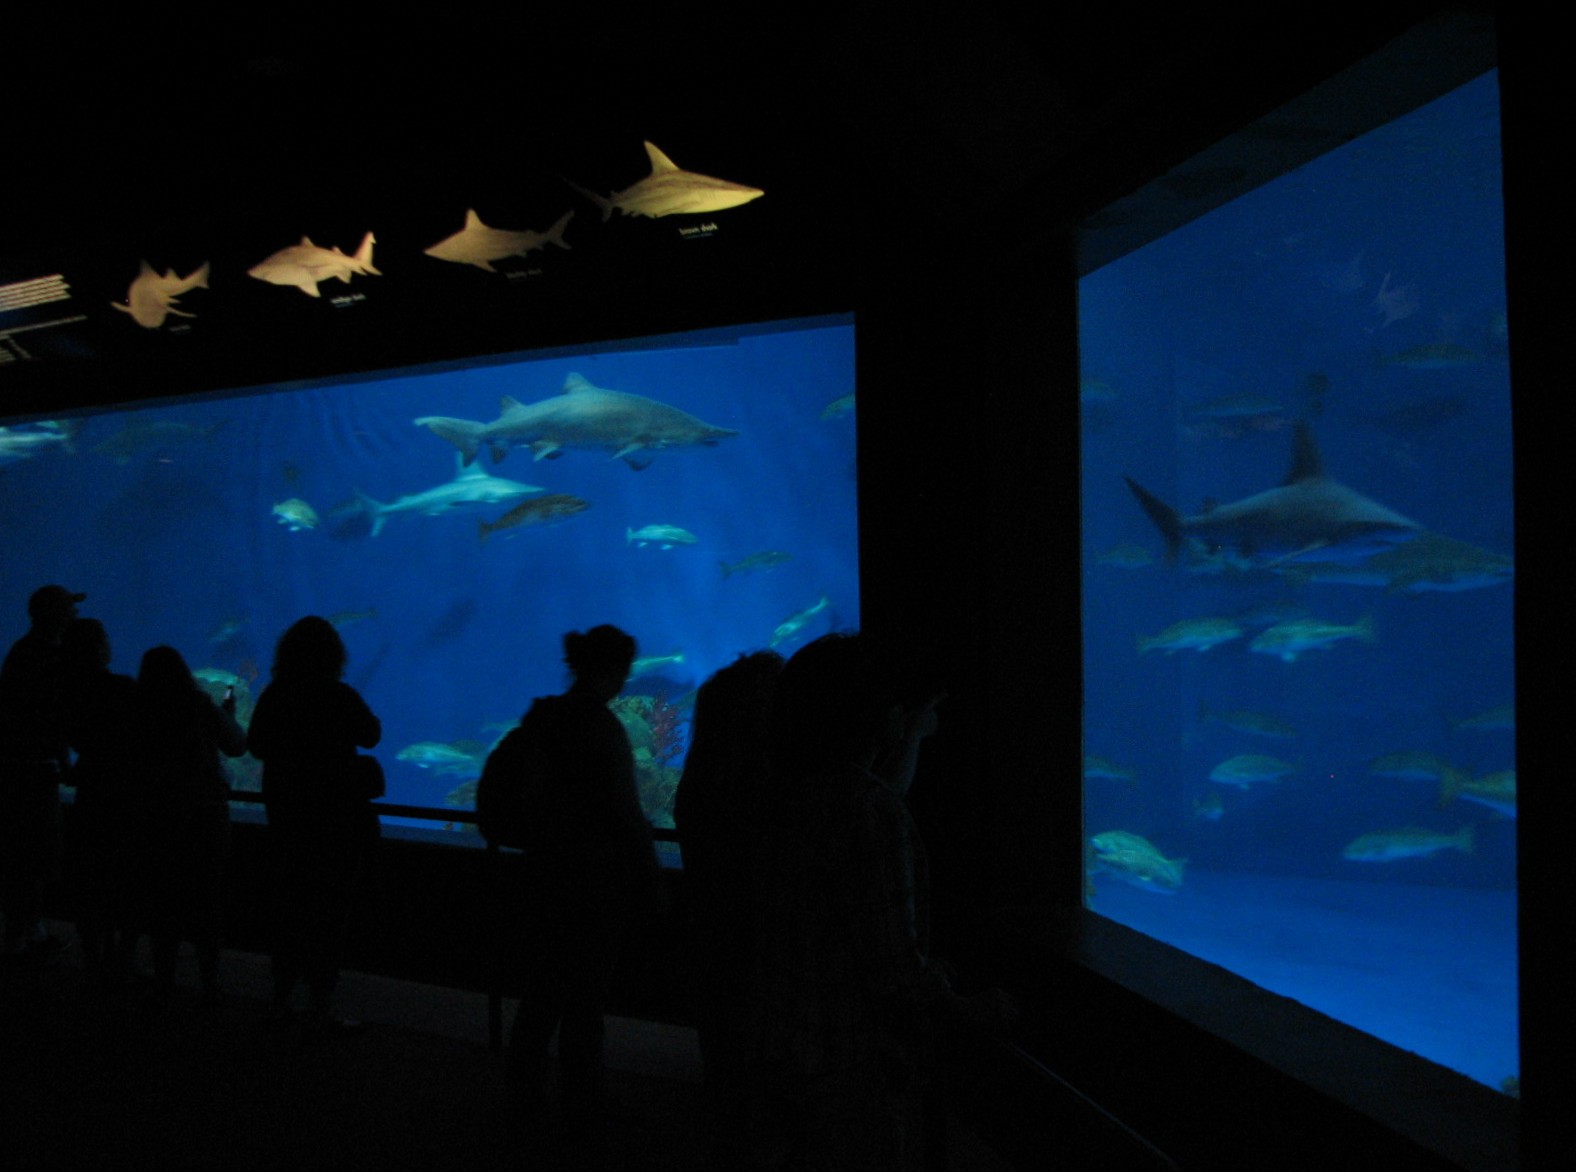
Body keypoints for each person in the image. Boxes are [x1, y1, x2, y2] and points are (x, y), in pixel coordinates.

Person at [747, 632, 1015, 1172]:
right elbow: (892, 970)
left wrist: (911, 733)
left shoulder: (781, 794)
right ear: (871, 714)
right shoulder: (870, 814)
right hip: (849, 1063)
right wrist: (971, 1009)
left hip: (784, 1041)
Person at [503, 624, 664, 1135]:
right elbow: (626, 812)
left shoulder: (545, 716)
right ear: (613, 670)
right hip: (593, 882)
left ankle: (523, 1094)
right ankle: (583, 1099)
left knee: (544, 989)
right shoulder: (600, 726)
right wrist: (652, 880)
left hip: (544, 872)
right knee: (586, 999)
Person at [246, 616, 381, 1035]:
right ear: (334, 655)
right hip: (335, 827)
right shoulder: (338, 695)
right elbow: (372, 734)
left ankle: (280, 1001)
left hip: (288, 823)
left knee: (288, 911)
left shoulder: (275, 695)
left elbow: (256, 745)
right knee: (328, 916)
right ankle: (319, 1007)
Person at [672, 650, 784, 1148]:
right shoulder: (766, 785)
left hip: (707, 929)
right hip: (761, 937)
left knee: (722, 1045)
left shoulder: (698, 782)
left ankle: (727, 1131)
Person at [131, 645, 246, 998]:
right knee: (205, 898)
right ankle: (209, 982)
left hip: (155, 815)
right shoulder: (197, 705)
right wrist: (225, 716)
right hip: (203, 814)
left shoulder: (138, 708)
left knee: (161, 898)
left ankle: (163, 978)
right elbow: (237, 746)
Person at [0, 584, 84, 959]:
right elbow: (55, 714)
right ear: (55, 615)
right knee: (33, 857)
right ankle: (23, 936)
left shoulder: (21, 651)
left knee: (23, 857)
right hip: (35, 771)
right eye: (69, 608)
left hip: (19, 767)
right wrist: (65, 758)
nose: (75, 615)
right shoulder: (52, 656)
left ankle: (23, 930)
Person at [59, 618, 139, 985]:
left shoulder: (66, 691)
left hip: (89, 790)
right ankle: (122, 957)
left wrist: (69, 767)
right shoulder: (123, 688)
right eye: (104, 638)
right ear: (99, 647)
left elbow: (63, 737)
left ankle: (93, 959)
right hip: (123, 793)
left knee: (89, 879)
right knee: (125, 878)